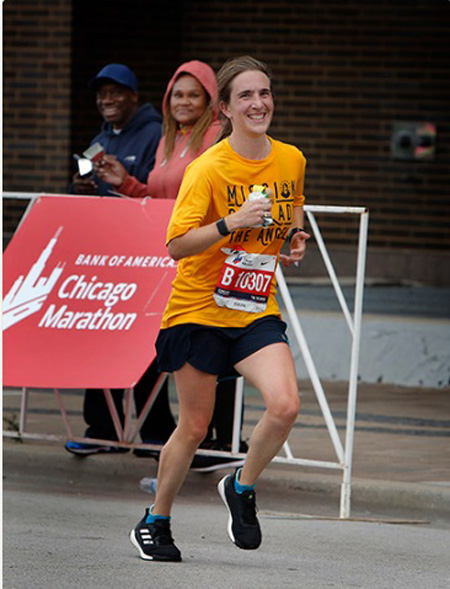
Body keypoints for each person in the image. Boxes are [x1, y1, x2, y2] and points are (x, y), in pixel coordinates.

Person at [128, 55, 310, 563]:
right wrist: (232, 222)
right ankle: (156, 519)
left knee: (286, 405)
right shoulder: (207, 168)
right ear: (225, 110)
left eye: (265, 93)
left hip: (253, 307)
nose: (259, 103)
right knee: (194, 426)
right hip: (198, 310)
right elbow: (178, 245)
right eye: (246, 96)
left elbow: (293, 206)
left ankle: (241, 486)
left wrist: (294, 238)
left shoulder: (291, 158)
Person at [95, 60, 248, 470]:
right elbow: (160, 195)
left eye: (192, 95)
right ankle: (179, 438)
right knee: (177, 348)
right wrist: (124, 182)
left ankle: (224, 440)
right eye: (176, 95)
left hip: (210, 259)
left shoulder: (219, 138)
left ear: (210, 101)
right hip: (170, 259)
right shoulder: (169, 139)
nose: (183, 102)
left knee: (217, 343)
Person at [65, 63, 167, 455]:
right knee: (102, 341)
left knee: (144, 344)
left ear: (134, 97)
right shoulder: (99, 138)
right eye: (101, 94)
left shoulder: (156, 134)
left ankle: (154, 432)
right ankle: (102, 430)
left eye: (115, 93)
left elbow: (155, 185)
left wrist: (125, 176)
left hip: (144, 255)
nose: (106, 100)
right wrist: (78, 188)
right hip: (105, 255)